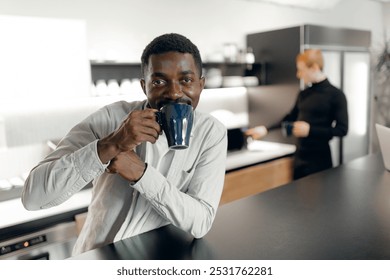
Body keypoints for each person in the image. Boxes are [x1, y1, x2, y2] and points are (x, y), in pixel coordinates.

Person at [22, 33, 228, 256]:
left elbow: (201, 222)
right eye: (159, 82)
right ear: (144, 86)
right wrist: (110, 145)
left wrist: (140, 173)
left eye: (186, 80)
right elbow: (33, 198)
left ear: (201, 85)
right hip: (96, 259)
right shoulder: (109, 118)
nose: (174, 93)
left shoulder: (211, 133)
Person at [246, 49, 348, 180]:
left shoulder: (336, 95)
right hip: (299, 157)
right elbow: (290, 117)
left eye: (301, 69)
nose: (298, 74)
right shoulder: (304, 94)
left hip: (320, 160)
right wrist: (265, 129)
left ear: (315, 67)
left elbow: (342, 130)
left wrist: (310, 130)